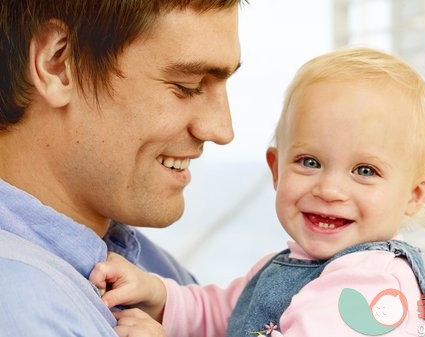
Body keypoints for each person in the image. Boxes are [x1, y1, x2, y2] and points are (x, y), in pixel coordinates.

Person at [90, 47, 425, 336]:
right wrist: (156, 295)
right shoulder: (293, 267)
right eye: (309, 162)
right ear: (276, 168)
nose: (330, 189)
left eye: (365, 171)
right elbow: (221, 315)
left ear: (415, 195)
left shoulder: (371, 284)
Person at [0, 1, 246, 336]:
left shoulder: (156, 273)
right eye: (187, 86)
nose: (223, 130)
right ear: (57, 64)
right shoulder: (24, 305)